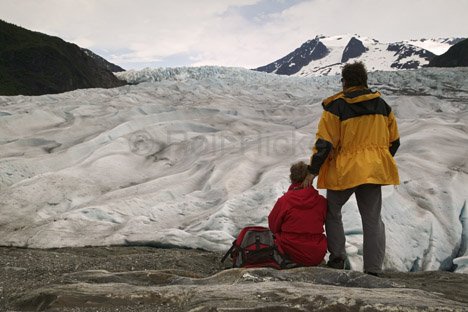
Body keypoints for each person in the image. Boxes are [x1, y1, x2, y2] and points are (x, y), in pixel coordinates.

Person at [302, 61, 400, 275]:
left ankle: (337, 258)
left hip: (344, 170)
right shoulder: (382, 106)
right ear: (364, 81)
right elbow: (394, 142)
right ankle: (373, 269)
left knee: (332, 211)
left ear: (345, 82)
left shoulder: (336, 106)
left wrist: (313, 170)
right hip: (373, 172)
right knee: (372, 219)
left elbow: (325, 143)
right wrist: (376, 161)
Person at [268, 161, 327, 266]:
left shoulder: (285, 201)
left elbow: (273, 226)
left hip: (291, 252)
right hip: (316, 253)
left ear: (291, 178)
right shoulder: (321, 201)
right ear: (309, 178)